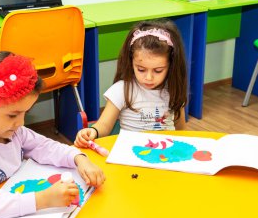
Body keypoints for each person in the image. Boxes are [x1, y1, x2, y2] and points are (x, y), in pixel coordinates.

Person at [0, 51, 105, 218]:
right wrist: (42, 199)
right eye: (12, 115)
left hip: (10, 209)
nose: (20, 123)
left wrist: (79, 159)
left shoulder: (13, 131)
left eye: (25, 113)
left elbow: (45, 147)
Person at [75, 19, 187, 148]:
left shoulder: (173, 89)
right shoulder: (122, 90)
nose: (149, 77)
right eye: (141, 69)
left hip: (166, 153)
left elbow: (182, 130)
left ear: (171, 65)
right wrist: (93, 131)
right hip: (132, 152)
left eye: (158, 71)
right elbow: (104, 125)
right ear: (131, 62)